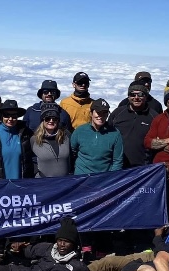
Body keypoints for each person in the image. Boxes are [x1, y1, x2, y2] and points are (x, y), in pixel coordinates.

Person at [71, 98, 124, 259]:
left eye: (104, 113)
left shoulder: (114, 134)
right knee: (83, 214)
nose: (100, 116)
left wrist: (108, 180)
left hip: (104, 183)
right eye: (98, 112)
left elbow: (117, 160)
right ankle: (86, 247)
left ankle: (101, 248)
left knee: (103, 215)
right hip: (82, 182)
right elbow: (73, 152)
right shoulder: (80, 131)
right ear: (91, 113)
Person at [0, 99, 35, 263]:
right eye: (7, 115)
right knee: (0, 216)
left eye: (14, 116)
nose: (10, 119)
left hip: (20, 182)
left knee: (20, 215)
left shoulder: (24, 133)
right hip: (0, 182)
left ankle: (17, 249)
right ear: (1, 116)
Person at [108, 81, 158, 168]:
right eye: (132, 94)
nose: (136, 97)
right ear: (128, 96)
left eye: (140, 94)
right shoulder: (118, 113)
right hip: (118, 166)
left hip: (143, 167)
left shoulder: (154, 117)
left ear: (146, 96)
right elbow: (107, 136)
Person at [30, 102, 73, 178]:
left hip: (65, 183)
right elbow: (30, 161)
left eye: (55, 118)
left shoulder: (66, 136)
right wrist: (36, 173)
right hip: (44, 184)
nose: (51, 121)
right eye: (47, 118)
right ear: (42, 121)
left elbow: (73, 156)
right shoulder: (34, 139)